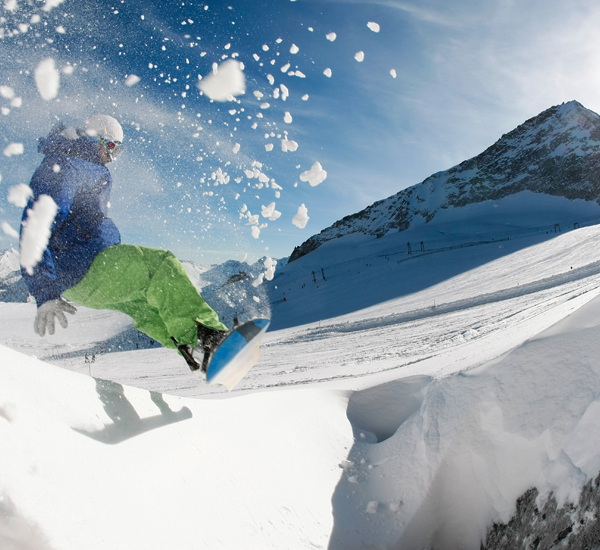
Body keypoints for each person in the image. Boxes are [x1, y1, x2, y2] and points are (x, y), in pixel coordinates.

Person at [21, 114, 229, 375]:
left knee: (146, 307)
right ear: (94, 137)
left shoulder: (84, 166)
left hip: (81, 273)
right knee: (159, 266)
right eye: (111, 146)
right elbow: (35, 224)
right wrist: (44, 291)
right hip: (84, 266)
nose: (113, 156)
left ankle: (195, 351)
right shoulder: (66, 164)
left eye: (118, 150)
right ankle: (209, 338)